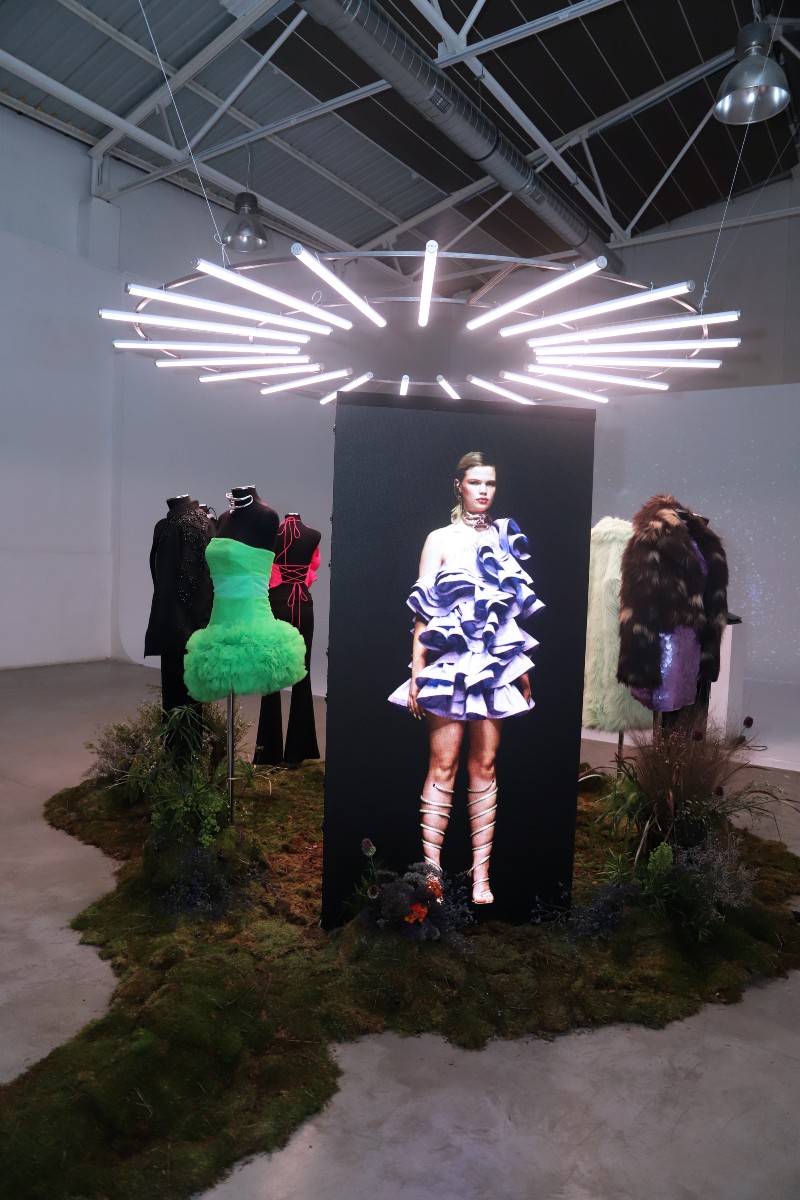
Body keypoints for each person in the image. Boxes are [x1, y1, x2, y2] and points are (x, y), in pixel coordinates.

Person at [388, 452, 544, 904]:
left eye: (490, 483)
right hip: (450, 664)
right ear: (458, 485)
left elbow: (511, 610)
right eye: (475, 482)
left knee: (485, 765)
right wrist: (417, 672)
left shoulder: (505, 537)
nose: (483, 490)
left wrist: (522, 669)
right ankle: (432, 877)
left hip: (494, 666)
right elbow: (422, 611)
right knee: (443, 765)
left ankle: (481, 878)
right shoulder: (439, 539)